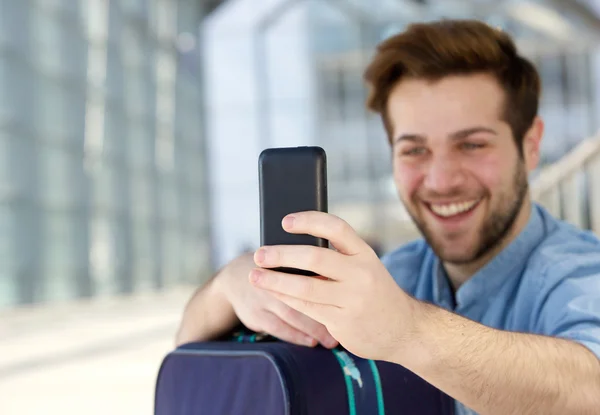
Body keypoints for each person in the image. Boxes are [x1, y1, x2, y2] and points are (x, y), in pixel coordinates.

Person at [176, 19, 600, 414]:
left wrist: (408, 330)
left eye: (472, 145)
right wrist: (226, 290)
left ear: (530, 145)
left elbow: (590, 386)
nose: (441, 180)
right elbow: (190, 368)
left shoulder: (577, 270)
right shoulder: (393, 274)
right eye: (414, 150)